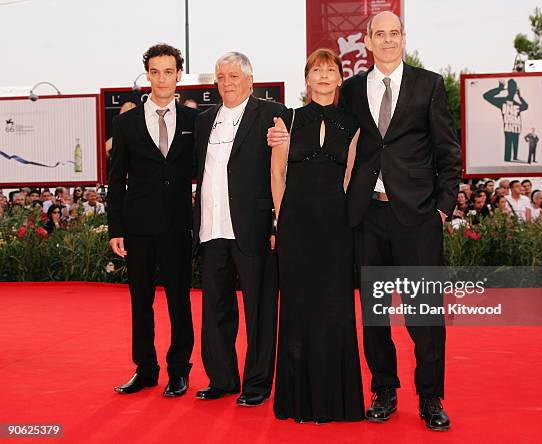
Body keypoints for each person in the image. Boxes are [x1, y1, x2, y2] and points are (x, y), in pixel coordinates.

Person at [270, 11, 460, 430]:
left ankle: (430, 397)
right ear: (368, 42)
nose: (388, 40)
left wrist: (443, 209)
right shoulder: (352, 89)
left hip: (417, 216)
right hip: (365, 215)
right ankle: (384, 390)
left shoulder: (429, 84)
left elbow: (448, 151)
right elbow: (317, 123)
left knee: (423, 313)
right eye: (380, 34)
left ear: (403, 38)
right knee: (375, 312)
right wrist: (278, 134)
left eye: (395, 33)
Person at [270, 49, 364, 423]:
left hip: (336, 227)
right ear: (307, 79)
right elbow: (277, 175)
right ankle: (299, 401)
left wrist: (341, 218)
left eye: (330, 70)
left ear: (340, 79)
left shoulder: (353, 124)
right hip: (296, 225)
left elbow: (349, 176)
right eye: (316, 70)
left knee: (335, 308)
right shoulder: (286, 120)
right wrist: (282, 220)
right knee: (297, 309)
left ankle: (334, 402)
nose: (324, 76)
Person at [107, 44, 199, 397]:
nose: (162, 78)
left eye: (169, 71)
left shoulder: (195, 120)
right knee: (140, 301)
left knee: (179, 301)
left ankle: (179, 371)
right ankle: (145, 369)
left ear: (179, 75)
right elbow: (116, 180)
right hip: (138, 226)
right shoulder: (125, 122)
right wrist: (116, 228)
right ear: (148, 74)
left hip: (178, 225)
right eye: (155, 71)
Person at [192, 52, 284, 407]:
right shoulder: (204, 120)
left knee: (259, 310)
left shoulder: (272, 113)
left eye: (233, 76)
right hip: (211, 228)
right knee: (215, 308)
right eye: (220, 77)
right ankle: (222, 379)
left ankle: (257, 384)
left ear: (250, 79)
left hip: (254, 228)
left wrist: (278, 221)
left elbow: (281, 172)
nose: (227, 82)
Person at [483, 79, 528, 162]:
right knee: (508, 144)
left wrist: (520, 96)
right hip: (508, 127)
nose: (512, 90)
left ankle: (515, 157)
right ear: (508, 89)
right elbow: (486, 96)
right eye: (511, 88)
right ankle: (508, 158)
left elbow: (526, 106)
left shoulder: (516, 104)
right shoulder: (502, 101)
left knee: (515, 143)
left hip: (516, 128)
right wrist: (499, 89)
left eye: (513, 88)